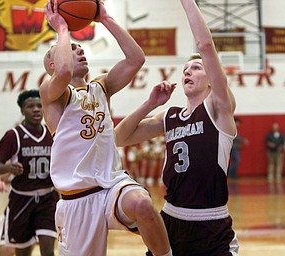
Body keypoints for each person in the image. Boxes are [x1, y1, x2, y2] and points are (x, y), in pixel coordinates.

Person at [39, 0, 172, 255]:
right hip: (77, 198)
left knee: (143, 204)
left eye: (80, 48)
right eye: (72, 48)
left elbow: (136, 59)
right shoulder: (52, 93)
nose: (79, 51)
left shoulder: (100, 87)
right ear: (52, 65)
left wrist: (106, 19)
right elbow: (65, 71)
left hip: (112, 185)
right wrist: (62, 29)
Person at [115, 0, 239, 255]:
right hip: (171, 218)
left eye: (196, 67)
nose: (188, 71)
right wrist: (149, 104)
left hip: (211, 222)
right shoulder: (169, 116)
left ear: (210, 80)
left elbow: (205, 45)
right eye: (185, 69)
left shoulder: (218, 108)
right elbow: (119, 137)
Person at [0, 89, 59, 256]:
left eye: (39, 105)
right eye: (30, 106)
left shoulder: (53, 133)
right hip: (21, 199)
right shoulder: (13, 135)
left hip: (47, 199)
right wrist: (8, 168)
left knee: (48, 250)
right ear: (22, 110)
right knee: (22, 252)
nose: (36, 109)